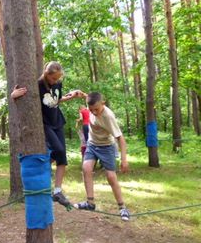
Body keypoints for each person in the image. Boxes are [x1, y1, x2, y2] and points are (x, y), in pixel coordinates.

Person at [11, 61, 85, 207]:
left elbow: (55, 100)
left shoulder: (57, 84)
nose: (55, 81)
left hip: (58, 121)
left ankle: (57, 191)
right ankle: (40, 169)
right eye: (53, 79)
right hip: (45, 124)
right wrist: (13, 95)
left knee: (62, 157)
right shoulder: (37, 85)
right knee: (57, 150)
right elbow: (23, 99)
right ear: (46, 74)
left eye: (57, 79)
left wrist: (70, 97)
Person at [73, 92, 130, 221]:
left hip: (107, 146)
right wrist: (80, 94)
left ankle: (122, 208)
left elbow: (121, 138)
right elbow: (90, 98)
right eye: (91, 110)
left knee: (111, 177)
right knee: (86, 168)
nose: (94, 112)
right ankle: (90, 203)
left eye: (96, 109)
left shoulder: (108, 117)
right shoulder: (93, 105)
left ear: (103, 104)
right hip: (92, 144)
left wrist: (124, 159)